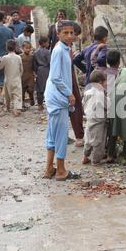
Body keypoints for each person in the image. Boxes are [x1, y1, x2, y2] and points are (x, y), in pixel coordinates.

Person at [43, 20, 80, 181]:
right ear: (58, 34)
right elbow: (57, 78)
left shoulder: (65, 50)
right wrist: (69, 94)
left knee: (52, 135)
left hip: (54, 97)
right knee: (61, 136)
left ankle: (49, 168)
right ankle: (61, 170)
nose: (69, 35)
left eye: (71, 33)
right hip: (58, 98)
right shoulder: (59, 51)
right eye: (65, 33)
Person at [82, 71, 109, 166]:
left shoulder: (87, 92)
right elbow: (107, 105)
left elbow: (83, 103)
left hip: (89, 118)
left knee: (88, 139)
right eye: (104, 83)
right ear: (100, 83)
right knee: (99, 142)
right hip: (99, 121)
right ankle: (96, 160)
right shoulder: (100, 94)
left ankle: (85, 157)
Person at [0, 40, 23, 116]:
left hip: (7, 79)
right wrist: (19, 75)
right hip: (16, 79)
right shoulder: (18, 57)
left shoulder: (5, 58)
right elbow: (21, 69)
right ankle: (16, 108)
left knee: (7, 95)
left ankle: (7, 107)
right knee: (17, 95)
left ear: (6, 48)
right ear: (15, 48)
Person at [105, 50, 121, 163]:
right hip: (113, 105)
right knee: (112, 131)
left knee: (102, 129)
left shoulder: (103, 72)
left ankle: (103, 151)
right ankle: (110, 154)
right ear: (119, 62)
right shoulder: (119, 74)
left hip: (101, 104)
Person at [70, 22, 85, 147]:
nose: (75, 37)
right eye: (75, 34)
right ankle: (79, 136)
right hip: (67, 83)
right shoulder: (61, 50)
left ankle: (78, 135)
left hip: (69, 81)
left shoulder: (68, 49)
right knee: (76, 108)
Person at [33, 37, 51, 112]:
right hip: (46, 70)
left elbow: (34, 64)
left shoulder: (36, 52)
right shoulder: (47, 52)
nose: (48, 44)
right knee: (48, 87)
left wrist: (35, 72)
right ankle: (49, 103)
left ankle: (39, 105)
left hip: (39, 71)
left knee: (39, 88)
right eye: (47, 42)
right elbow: (50, 62)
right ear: (44, 43)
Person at [21, 41, 35, 108]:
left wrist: (35, 73)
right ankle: (22, 103)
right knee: (22, 91)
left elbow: (34, 66)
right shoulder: (20, 57)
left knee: (31, 89)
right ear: (22, 48)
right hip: (22, 76)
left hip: (30, 76)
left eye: (29, 48)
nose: (28, 49)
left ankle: (31, 98)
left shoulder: (32, 57)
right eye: (26, 48)